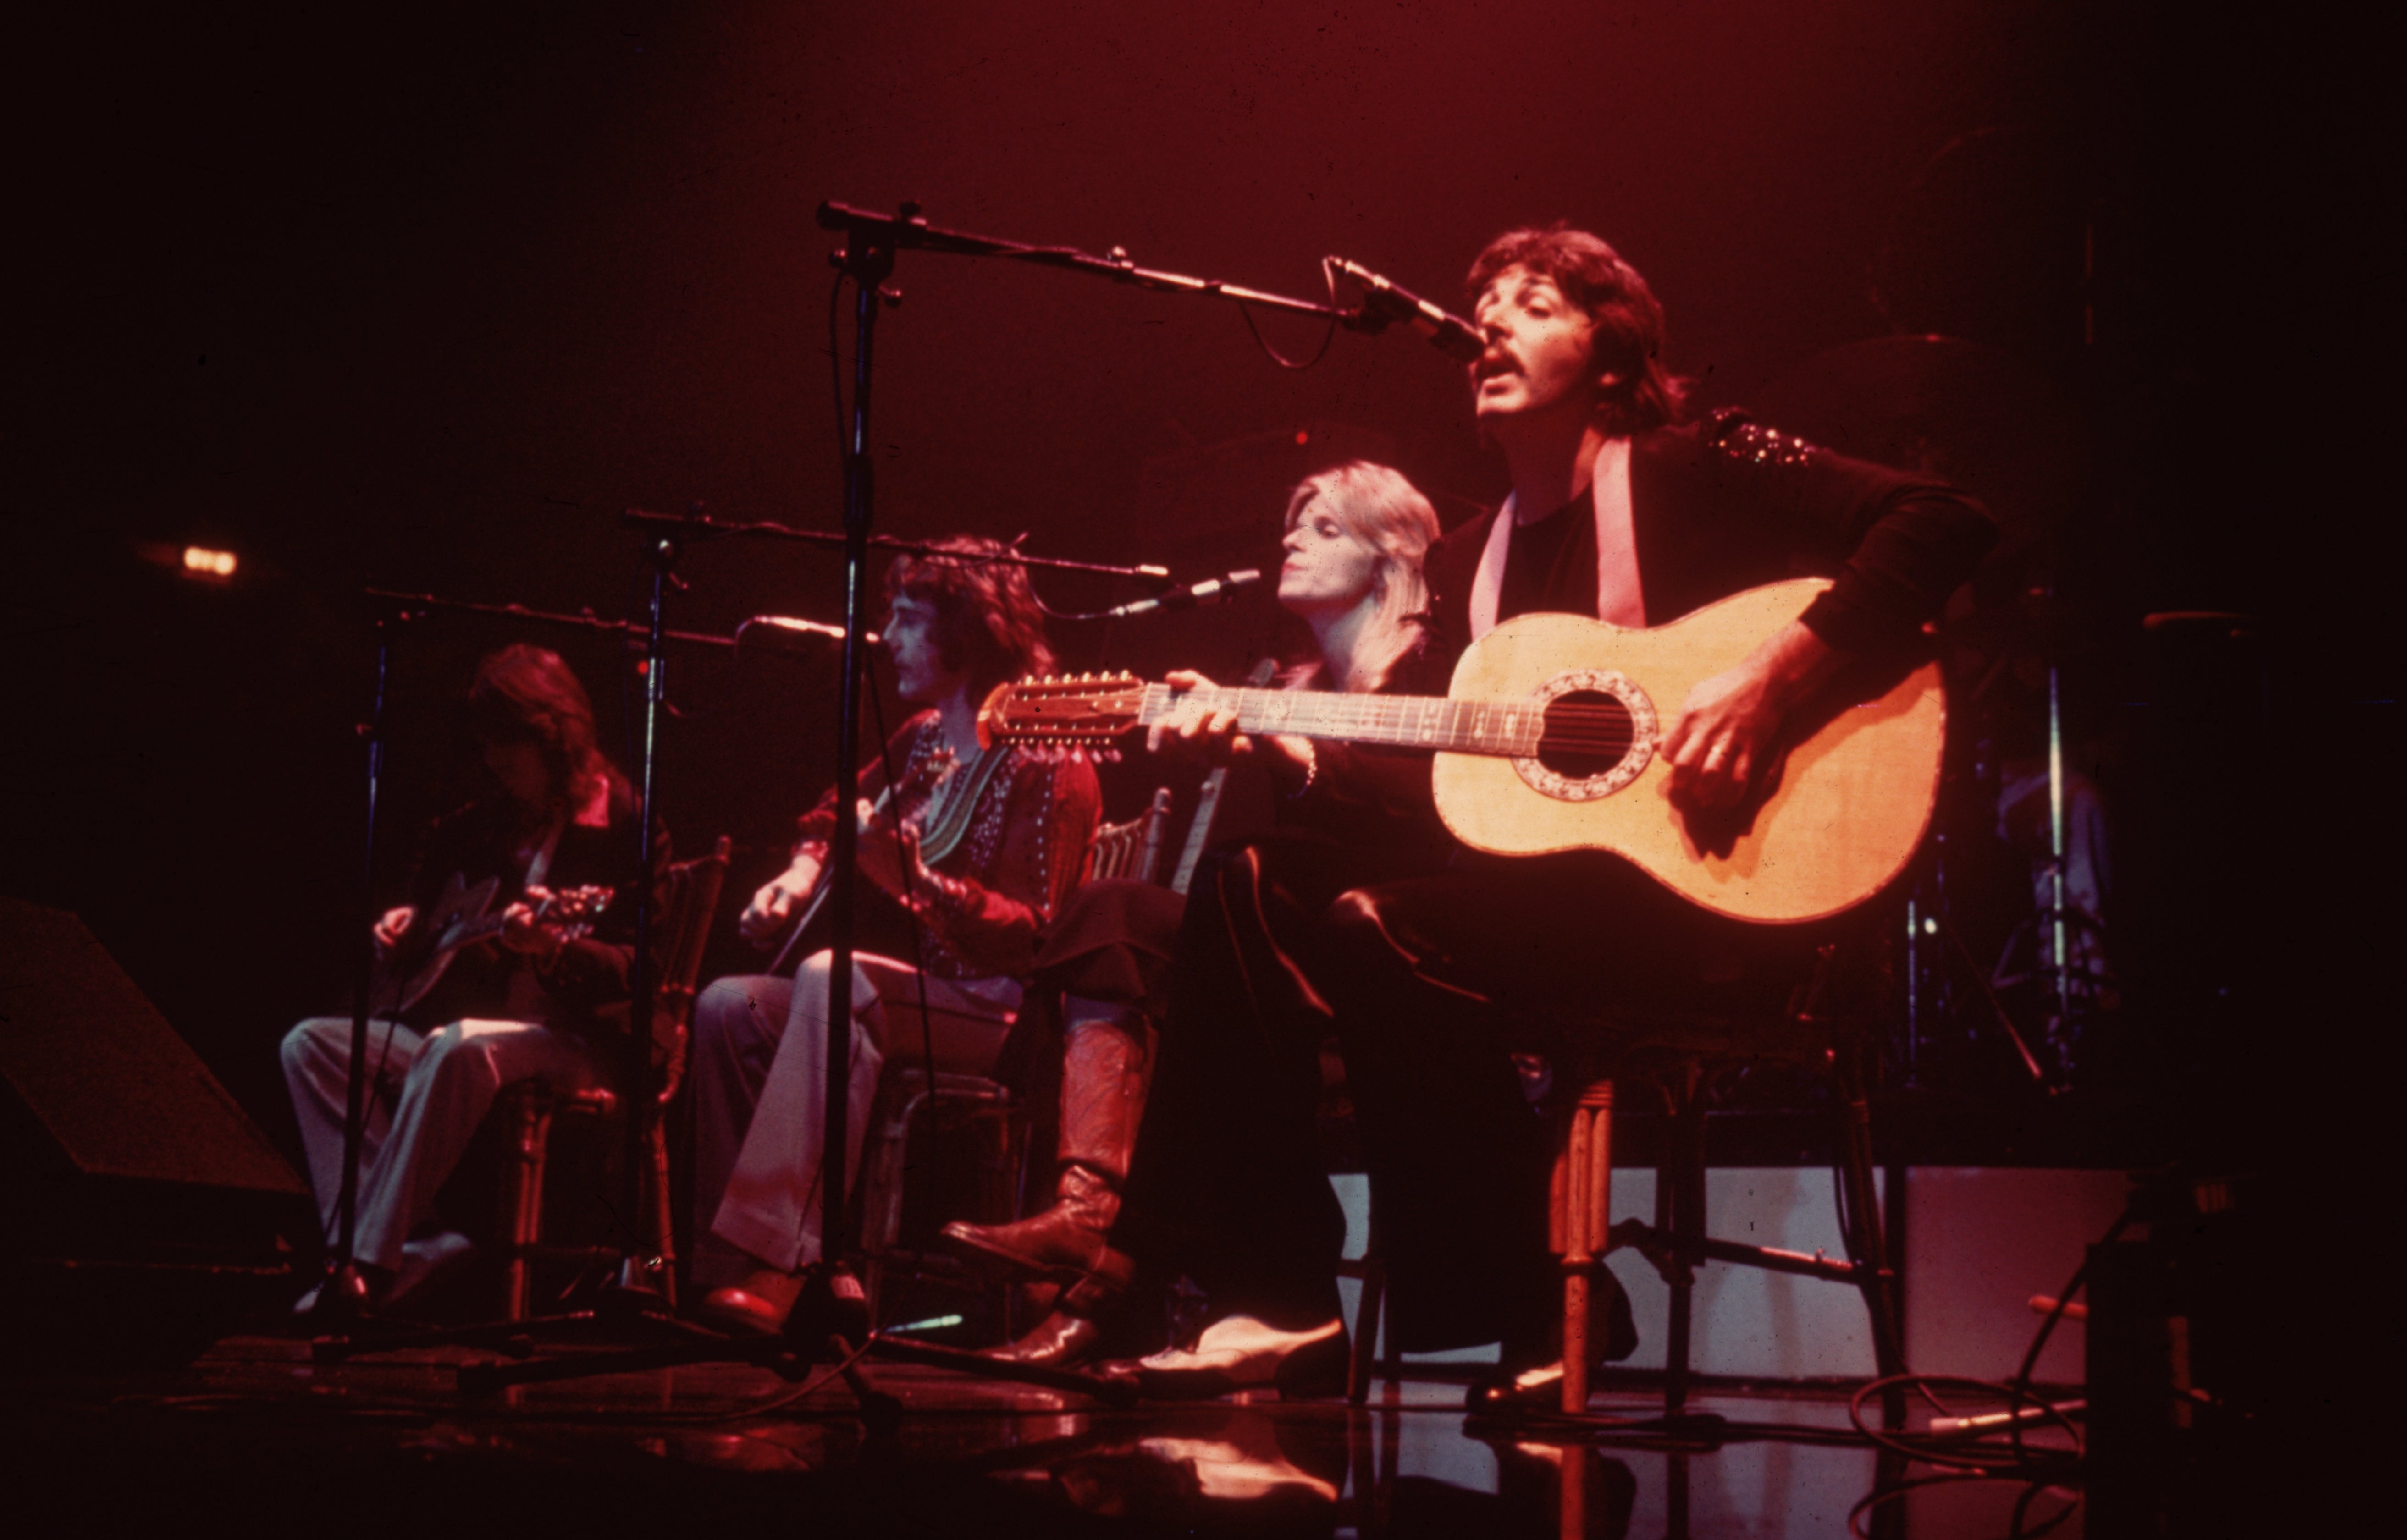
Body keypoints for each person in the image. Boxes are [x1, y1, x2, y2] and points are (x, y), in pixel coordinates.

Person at [1118, 224, 1998, 1398]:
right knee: (1254, 885)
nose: (1489, 321)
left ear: (1611, 348)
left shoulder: (1704, 461)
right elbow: (1432, 790)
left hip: (1723, 894)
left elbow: (1944, 519)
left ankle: (1533, 1300)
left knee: (1379, 927)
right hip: (1556, 909)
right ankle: (1268, 1295)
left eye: (1531, 303)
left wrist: (1772, 677)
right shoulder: (1476, 563)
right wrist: (1279, 747)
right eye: (1484, 302)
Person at [940, 461, 1454, 1376]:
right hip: (1274, 966)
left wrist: (1288, 752)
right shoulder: (1273, 681)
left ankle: (1111, 1285)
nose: (1291, 539)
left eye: (1327, 528)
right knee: (1112, 911)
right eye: (1294, 524)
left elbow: (1416, 829)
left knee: (1227, 891)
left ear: (1390, 561)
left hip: (1394, 955)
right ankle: (1090, 1218)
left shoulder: (1438, 667)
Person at [690, 535, 1101, 1334]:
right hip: (915, 997)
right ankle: (725, 1262)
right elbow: (827, 816)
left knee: (831, 977)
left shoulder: (1051, 755)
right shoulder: (918, 741)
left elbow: (1038, 940)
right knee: (729, 1003)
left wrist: (915, 883)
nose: (890, 637)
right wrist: (804, 871)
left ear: (971, 632)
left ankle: (780, 1268)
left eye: (910, 619)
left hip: (1005, 1012)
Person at [281, 644, 663, 1313]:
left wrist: (553, 951)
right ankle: (418, 1240)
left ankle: (368, 1263)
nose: (493, 760)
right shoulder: (494, 817)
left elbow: (642, 970)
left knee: (462, 1044)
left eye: (505, 744)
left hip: (578, 1043)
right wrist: (406, 913)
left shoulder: (628, 826)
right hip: (473, 1038)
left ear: (551, 734)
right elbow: (432, 868)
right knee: (312, 1045)